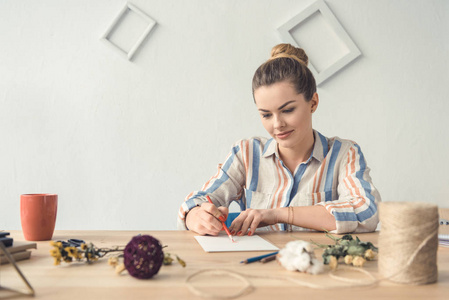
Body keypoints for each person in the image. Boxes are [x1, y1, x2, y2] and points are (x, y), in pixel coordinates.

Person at [177, 43, 381, 236]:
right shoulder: (246, 154)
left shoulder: (344, 154)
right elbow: (197, 201)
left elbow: (367, 211)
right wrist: (196, 215)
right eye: (266, 115)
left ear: (313, 102)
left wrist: (278, 214)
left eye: (288, 110)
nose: (277, 124)